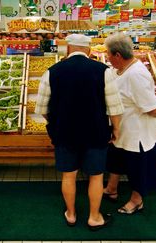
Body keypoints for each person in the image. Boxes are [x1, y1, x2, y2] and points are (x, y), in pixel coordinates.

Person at [35, 34, 123, 231]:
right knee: (96, 176)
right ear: (89, 51)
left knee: (69, 175)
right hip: (96, 132)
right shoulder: (104, 71)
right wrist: (116, 129)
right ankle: (94, 217)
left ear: (68, 49)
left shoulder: (52, 72)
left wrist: (56, 122)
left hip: (65, 133)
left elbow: (42, 108)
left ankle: (71, 214)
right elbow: (115, 107)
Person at [102, 32, 156, 214]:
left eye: (108, 54)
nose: (107, 57)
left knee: (137, 167)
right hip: (121, 128)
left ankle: (136, 200)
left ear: (117, 55)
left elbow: (150, 107)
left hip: (137, 132)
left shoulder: (136, 74)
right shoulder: (119, 69)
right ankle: (111, 189)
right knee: (115, 159)